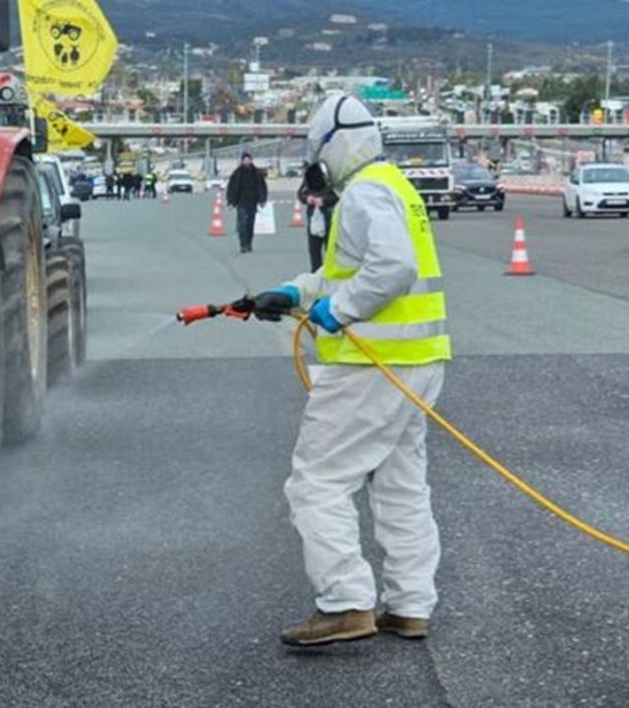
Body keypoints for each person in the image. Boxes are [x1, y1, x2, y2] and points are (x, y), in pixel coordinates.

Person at [247, 92, 451, 646]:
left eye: (320, 153)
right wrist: (293, 291)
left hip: (371, 366)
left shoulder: (363, 193)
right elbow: (350, 271)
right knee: (401, 484)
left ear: (336, 145)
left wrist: (337, 311)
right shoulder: (393, 186)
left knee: (317, 482)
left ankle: (345, 603)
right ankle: (410, 605)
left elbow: (393, 268)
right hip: (415, 361)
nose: (321, 167)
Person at [297, 162, 338, 270]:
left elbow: (337, 195)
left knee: (330, 248)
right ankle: (316, 272)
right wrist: (307, 199)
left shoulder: (331, 180)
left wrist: (324, 200)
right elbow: (301, 193)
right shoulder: (309, 179)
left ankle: (330, 270)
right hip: (314, 218)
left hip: (330, 217)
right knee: (314, 249)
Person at [226, 152, 268, 253]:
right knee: (242, 223)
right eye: (245, 159)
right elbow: (231, 188)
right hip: (241, 202)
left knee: (250, 223)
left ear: (251, 160)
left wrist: (262, 199)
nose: (247, 161)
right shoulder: (237, 173)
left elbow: (262, 187)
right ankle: (243, 245)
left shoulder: (256, 173)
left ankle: (249, 244)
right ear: (242, 160)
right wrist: (231, 201)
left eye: (248, 159)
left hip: (252, 202)